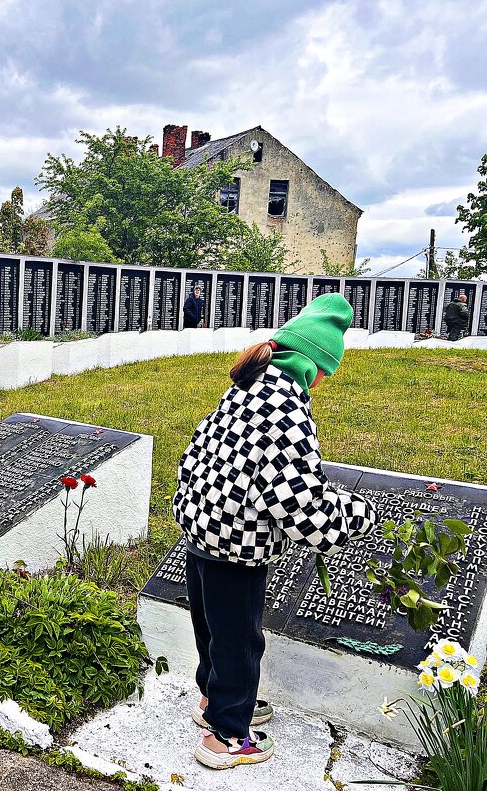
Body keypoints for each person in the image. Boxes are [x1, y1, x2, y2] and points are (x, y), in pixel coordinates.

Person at [172, 293, 377, 770]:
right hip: (237, 543)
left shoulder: (247, 387)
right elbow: (301, 507)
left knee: (214, 632)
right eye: (326, 373)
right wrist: (359, 514)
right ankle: (226, 736)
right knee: (241, 642)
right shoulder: (286, 408)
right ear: (317, 365)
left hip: (203, 531)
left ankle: (213, 701)